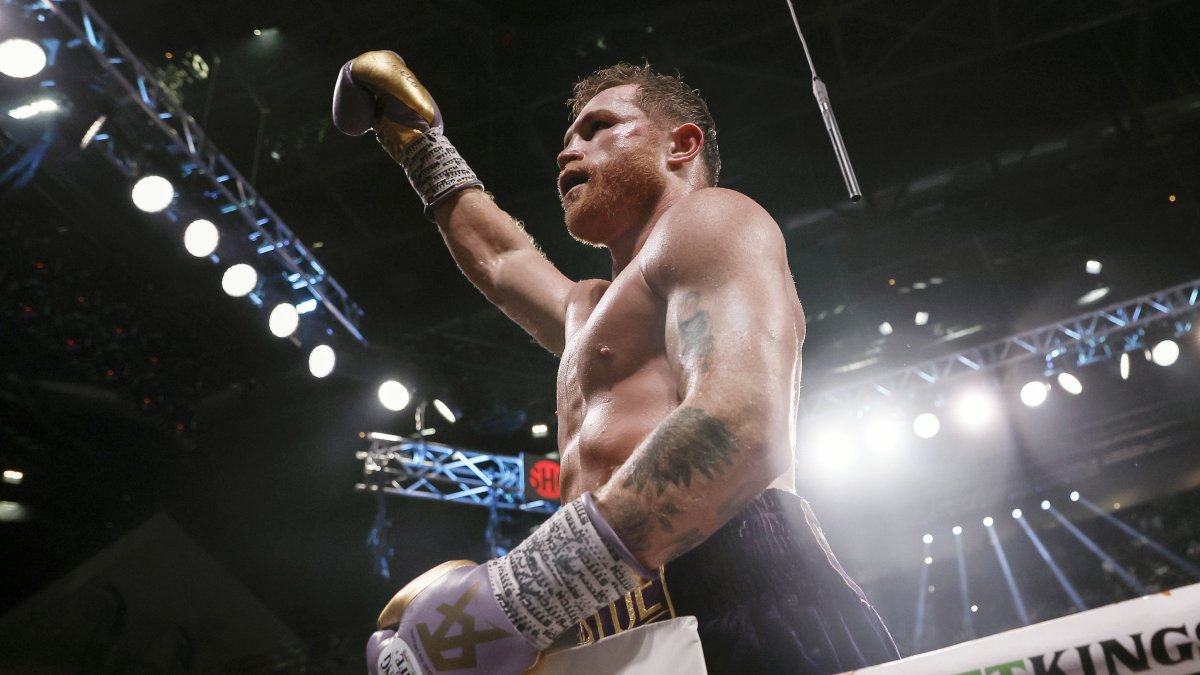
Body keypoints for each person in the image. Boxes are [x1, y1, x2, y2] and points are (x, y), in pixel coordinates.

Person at [333, 51, 899, 675]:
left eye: (597, 128)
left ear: (681, 145)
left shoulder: (713, 220)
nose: (566, 150)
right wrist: (421, 147)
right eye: (568, 135)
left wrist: (521, 596)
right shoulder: (590, 308)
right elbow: (500, 261)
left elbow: (741, 425)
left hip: (737, 576)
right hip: (602, 608)